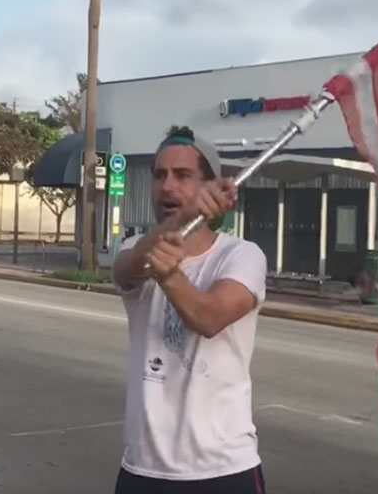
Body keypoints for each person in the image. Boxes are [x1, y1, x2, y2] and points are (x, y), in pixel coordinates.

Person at [111, 125, 269, 494]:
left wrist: (172, 278)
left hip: (223, 471)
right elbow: (126, 270)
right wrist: (181, 221)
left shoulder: (242, 255)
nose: (167, 186)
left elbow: (209, 318)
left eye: (183, 176)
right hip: (141, 469)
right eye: (160, 175)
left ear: (209, 187)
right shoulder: (135, 247)